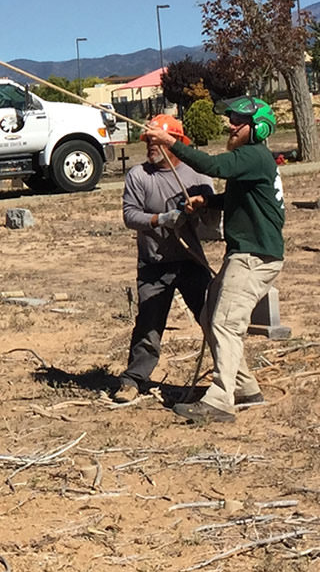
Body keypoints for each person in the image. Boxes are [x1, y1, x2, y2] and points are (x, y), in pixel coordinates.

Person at [143, 96, 285, 423]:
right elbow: (238, 196)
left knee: (225, 322)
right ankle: (245, 388)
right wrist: (207, 201)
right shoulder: (253, 161)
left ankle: (221, 400)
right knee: (209, 316)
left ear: (258, 128)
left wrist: (171, 143)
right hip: (245, 254)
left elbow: (214, 166)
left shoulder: (252, 155)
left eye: (239, 120)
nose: (231, 125)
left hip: (255, 256)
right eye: (231, 118)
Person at [115, 115, 214, 403]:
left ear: (176, 144)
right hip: (153, 263)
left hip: (190, 260)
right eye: (148, 141)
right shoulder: (139, 176)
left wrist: (199, 212)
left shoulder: (197, 176)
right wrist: (161, 219)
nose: (150, 147)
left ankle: (231, 374)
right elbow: (130, 216)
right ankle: (133, 379)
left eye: (157, 141)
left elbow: (212, 217)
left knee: (211, 318)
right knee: (149, 322)